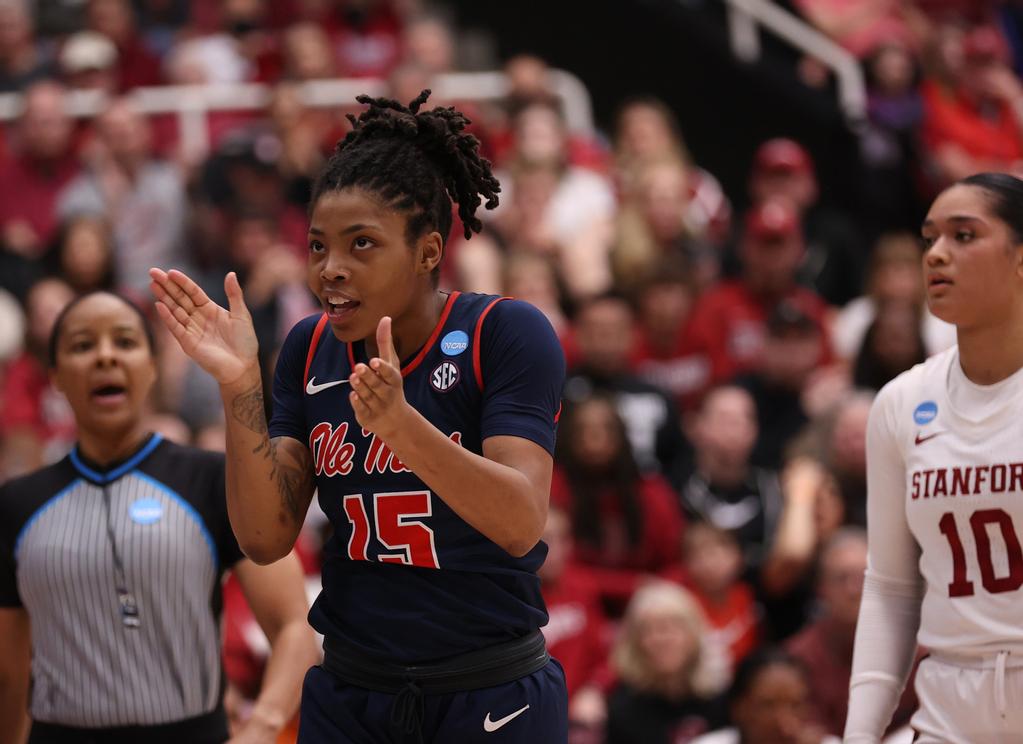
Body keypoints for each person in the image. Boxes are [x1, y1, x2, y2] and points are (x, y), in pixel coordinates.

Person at [149, 90, 569, 742]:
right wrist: (240, 387)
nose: (330, 270)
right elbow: (265, 539)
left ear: (428, 252)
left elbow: (519, 522)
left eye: (361, 244)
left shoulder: (504, 332)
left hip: (486, 686)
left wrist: (400, 427)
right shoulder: (309, 347)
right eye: (317, 247)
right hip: (353, 689)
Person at [0, 291, 317, 743]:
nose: (105, 356)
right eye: (82, 345)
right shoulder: (17, 504)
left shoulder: (212, 479)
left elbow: (292, 626)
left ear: (152, 367)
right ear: (55, 377)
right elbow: (9, 677)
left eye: (125, 342)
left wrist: (263, 727)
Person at [845, 172, 1023, 742]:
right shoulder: (902, 402)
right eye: (930, 238)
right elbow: (892, 587)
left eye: (964, 236)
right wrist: (860, 734)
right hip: (949, 703)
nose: (937, 254)